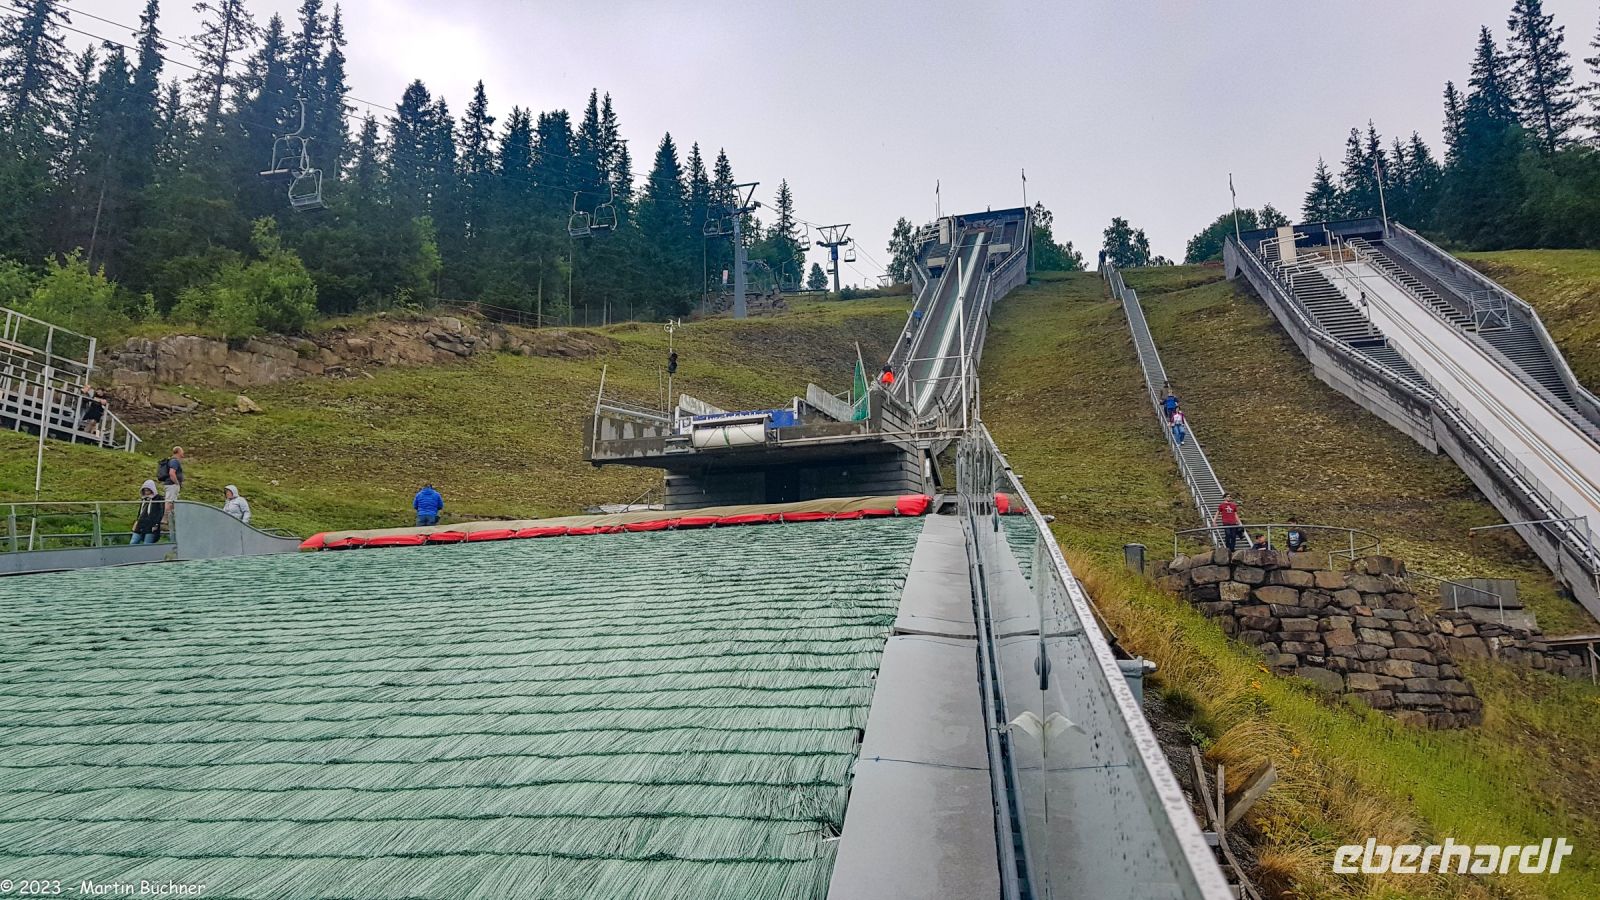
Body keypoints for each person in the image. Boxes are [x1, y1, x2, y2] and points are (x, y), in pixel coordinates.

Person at [157, 447, 185, 527]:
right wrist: (177, 483)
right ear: (178, 452)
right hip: (172, 485)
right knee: (169, 501)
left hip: (171, 485)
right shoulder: (174, 461)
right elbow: (172, 473)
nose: (183, 453)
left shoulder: (173, 461)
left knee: (172, 502)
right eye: (182, 451)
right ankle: (165, 520)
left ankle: (170, 520)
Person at [130, 480, 164, 544]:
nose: (146, 492)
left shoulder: (158, 499)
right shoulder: (143, 499)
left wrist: (156, 524)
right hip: (140, 524)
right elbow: (140, 512)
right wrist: (137, 521)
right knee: (133, 542)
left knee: (147, 544)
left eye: (148, 490)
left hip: (151, 525)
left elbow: (160, 512)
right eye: (145, 490)